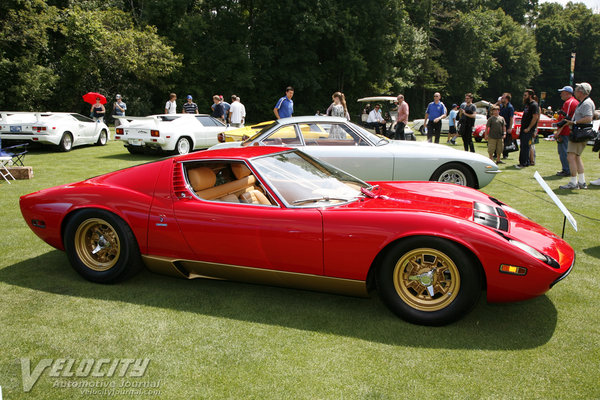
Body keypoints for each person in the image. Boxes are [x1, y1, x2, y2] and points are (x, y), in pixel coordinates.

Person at [559, 82, 595, 189]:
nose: (574, 91)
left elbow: (588, 118)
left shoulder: (586, 103)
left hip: (580, 132)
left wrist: (574, 123)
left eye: (576, 89)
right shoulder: (583, 102)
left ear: (581, 92)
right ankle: (581, 182)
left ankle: (573, 182)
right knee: (577, 157)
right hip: (580, 132)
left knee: (571, 156)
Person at [555, 86, 578, 176]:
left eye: (562, 92)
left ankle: (567, 170)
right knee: (566, 151)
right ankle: (567, 169)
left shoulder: (569, 102)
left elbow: (566, 119)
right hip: (568, 131)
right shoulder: (572, 102)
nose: (561, 94)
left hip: (565, 131)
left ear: (567, 93)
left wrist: (558, 132)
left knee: (564, 151)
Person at [516, 89, 539, 168]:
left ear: (530, 96)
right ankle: (523, 161)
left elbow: (535, 117)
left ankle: (524, 163)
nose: (524, 97)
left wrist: (529, 128)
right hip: (523, 129)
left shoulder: (534, 105)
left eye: (525, 95)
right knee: (523, 146)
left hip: (528, 130)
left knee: (526, 146)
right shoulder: (527, 105)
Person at [499, 93, 515, 159]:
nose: (502, 99)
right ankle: (496, 153)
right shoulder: (501, 106)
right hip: (499, 126)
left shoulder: (510, 107)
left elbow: (511, 118)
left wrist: (510, 128)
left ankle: (505, 154)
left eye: (503, 98)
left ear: (507, 99)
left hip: (506, 126)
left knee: (506, 141)